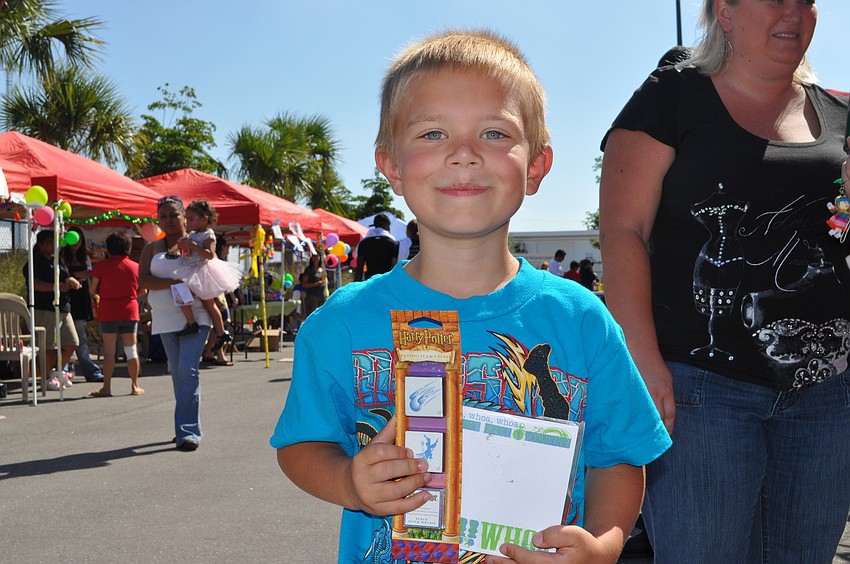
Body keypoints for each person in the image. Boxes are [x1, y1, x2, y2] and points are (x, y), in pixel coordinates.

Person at [271, 29, 671, 563]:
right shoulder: (339, 323)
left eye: (493, 133)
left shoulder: (581, 320)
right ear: (390, 163)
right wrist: (349, 482)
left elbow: (618, 456)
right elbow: (302, 445)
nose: (463, 155)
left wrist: (603, 544)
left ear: (536, 167)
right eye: (433, 134)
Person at [599, 1, 850, 561]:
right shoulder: (673, 94)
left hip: (827, 395)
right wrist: (642, 361)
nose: (794, 11)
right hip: (700, 390)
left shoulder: (839, 115)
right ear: (726, 12)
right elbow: (623, 233)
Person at [139, 195, 212, 451]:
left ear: (184, 216)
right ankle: (185, 427)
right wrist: (173, 284)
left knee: (187, 371)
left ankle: (188, 433)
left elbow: (211, 270)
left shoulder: (197, 242)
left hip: (196, 316)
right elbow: (144, 281)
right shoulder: (151, 248)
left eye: (174, 215)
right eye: (163, 216)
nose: (169, 220)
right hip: (165, 320)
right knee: (178, 375)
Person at [169, 200, 240, 353]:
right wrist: (179, 248)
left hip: (202, 271)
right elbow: (186, 248)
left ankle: (218, 331)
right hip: (190, 269)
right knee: (182, 292)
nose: (188, 222)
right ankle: (198, 324)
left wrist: (192, 246)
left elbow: (210, 255)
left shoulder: (208, 235)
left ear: (204, 219)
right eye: (187, 218)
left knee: (207, 302)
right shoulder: (192, 234)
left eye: (191, 218)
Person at [88, 231, 143, 397]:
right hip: (129, 311)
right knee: (131, 350)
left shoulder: (101, 267)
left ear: (109, 248)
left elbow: (92, 289)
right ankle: (134, 386)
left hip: (108, 310)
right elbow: (143, 290)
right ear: (128, 247)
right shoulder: (136, 267)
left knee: (109, 351)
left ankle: (107, 387)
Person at [23, 229, 79, 391]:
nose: (52, 245)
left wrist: (71, 280)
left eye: (54, 242)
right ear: (40, 244)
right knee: (47, 345)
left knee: (72, 342)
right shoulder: (33, 262)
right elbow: (35, 284)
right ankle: (47, 377)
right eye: (48, 242)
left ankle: (57, 372)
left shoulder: (58, 259)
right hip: (44, 308)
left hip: (62, 307)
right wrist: (57, 288)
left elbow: (64, 276)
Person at [62, 226, 104, 383]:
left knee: (80, 336)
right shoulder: (62, 256)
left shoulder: (84, 256)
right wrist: (74, 275)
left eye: (79, 240)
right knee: (67, 336)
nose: (76, 244)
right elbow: (62, 275)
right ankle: (64, 369)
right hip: (67, 297)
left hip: (81, 298)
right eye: (74, 240)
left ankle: (88, 370)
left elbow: (89, 273)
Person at [202, 234, 235, 367]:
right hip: (216, 297)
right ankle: (219, 354)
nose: (228, 249)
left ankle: (210, 352)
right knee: (220, 325)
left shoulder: (214, 261)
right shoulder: (214, 261)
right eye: (227, 246)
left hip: (217, 296)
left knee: (217, 327)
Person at [354, 213, 398, 281]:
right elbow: (394, 266)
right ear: (386, 225)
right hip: (387, 282)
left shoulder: (363, 243)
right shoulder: (393, 243)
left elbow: (359, 268)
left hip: (370, 282)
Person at [298, 252, 326, 319]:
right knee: (312, 315)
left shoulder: (322, 269)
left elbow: (324, 279)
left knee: (322, 313)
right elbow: (304, 284)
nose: (316, 258)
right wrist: (316, 284)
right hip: (312, 296)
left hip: (322, 295)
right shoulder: (309, 270)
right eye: (314, 256)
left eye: (317, 256)